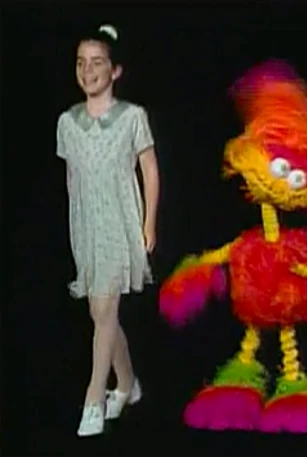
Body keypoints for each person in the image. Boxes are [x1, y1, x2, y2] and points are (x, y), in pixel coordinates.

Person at [55, 24, 160, 437]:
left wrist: (148, 223)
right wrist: (77, 226)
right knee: (99, 312)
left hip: (121, 223)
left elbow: (149, 170)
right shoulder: (67, 122)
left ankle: (94, 400)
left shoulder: (133, 117)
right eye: (81, 63)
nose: (88, 70)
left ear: (115, 70)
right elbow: (73, 178)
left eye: (97, 62)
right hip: (86, 228)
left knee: (104, 311)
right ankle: (128, 383)